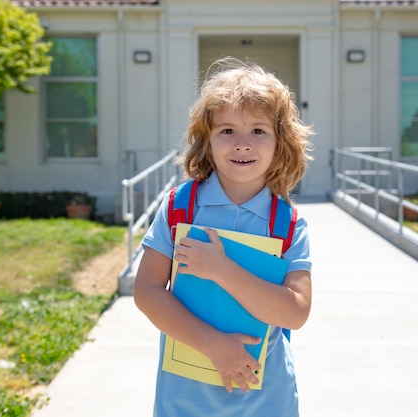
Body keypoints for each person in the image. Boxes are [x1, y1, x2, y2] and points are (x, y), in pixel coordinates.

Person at [134, 58, 314, 417]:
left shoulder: (288, 224)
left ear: (281, 142)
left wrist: (222, 269)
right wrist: (213, 345)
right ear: (207, 141)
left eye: (258, 131)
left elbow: (295, 313)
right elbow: (147, 292)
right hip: (184, 399)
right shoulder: (179, 208)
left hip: (266, 400)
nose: (242, 144)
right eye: (227, 131)